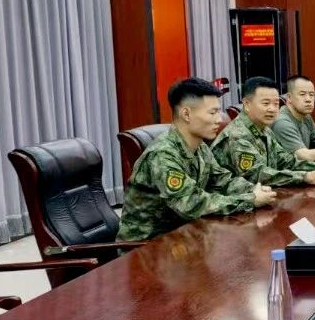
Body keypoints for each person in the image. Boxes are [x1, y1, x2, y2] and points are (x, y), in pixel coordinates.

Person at [117, 78, 275, 241]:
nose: (219, 119)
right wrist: (250, 200)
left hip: (185, 235)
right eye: (212, 113)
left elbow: (222, 181)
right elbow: (191, 203)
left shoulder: (200, 147)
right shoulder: (162, 154)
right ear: (186, 114)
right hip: (148, 246)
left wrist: (254, 190)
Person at [212, 76, 315, 187]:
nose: (272, 109)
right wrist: (303, 177)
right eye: (266, 103)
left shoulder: (264, 129)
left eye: (276, 104)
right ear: (247, 104)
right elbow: (257, 175)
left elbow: (285, 161)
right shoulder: (237, 135)